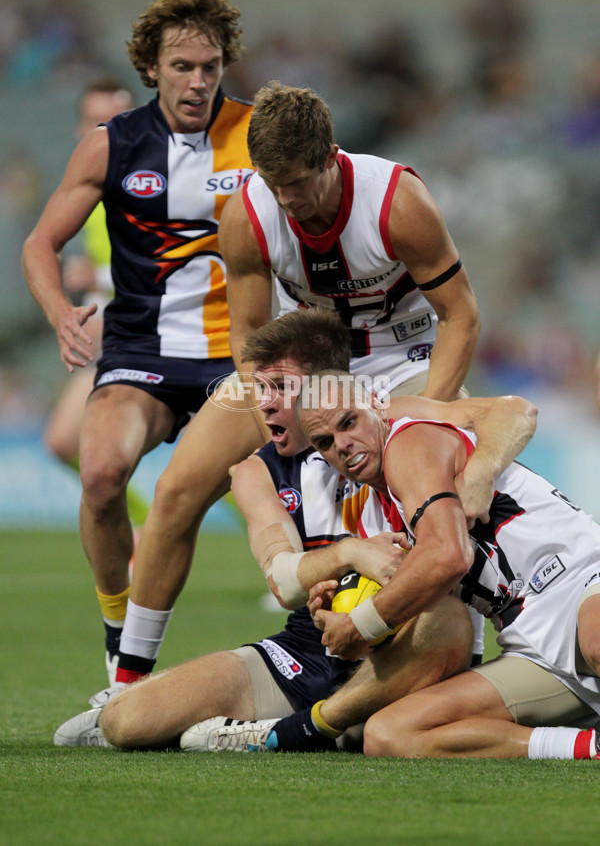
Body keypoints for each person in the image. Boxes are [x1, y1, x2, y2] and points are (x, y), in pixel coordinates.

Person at [108, 79, 481, 695]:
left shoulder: (397, 201)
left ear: (331, 157)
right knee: (177, 486)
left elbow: (461, 316)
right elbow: (252, 345)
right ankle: (124, 680)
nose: (287, 199)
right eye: (272, 183)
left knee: (449, 485)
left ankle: (458, 657)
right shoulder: (249, 215)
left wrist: (431, 413)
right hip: (305, 366)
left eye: (299, 183)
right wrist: (284, 436)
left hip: (402, 356)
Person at [53, 309, 536, 750]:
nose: (264, 405)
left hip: (400, 653)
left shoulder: (394, 422)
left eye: (279, 387)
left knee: (445, 622)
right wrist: (352, 554)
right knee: (124, 722)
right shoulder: (254, 472)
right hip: (306, 651)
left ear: (323, 385)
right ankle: (334, 729)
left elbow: (514, 411)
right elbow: (283, 581)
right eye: (259, 389)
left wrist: (479, 473)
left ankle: (302, 730)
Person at [22, 0, 255, 684]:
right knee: (97, 476)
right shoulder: (110, 146)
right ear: (149, 67)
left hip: (235, 358)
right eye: (182, 67)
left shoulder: (258, 136)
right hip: (142, 353)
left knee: (269, 493)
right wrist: (62, 315)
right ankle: (119, 649)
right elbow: (39, 244)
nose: (198, 81)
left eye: (210, 66)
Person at [286, 370, 600, 761]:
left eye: (349, 422)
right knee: (388, 734)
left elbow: (448, 555)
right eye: (325, 442)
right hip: (528, 643)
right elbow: (402, 609)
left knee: (597, 643)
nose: (344, 445)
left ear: (376, 409)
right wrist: (336, 614)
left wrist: (360, 626)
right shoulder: (371, 518)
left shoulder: (409, 442)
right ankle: (590, 746)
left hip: (584, 579)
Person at [42, 77, 150, 531]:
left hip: (160, 335)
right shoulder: (88, 187)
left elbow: (171, 266)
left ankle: (278, 553)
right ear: (78, 128)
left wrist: (99, 280)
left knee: (218, 460)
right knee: (63, 442)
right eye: (94, 121)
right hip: (111, 334)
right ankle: (144, 527)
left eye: (115, 121)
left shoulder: (148, 184)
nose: (104, 131)